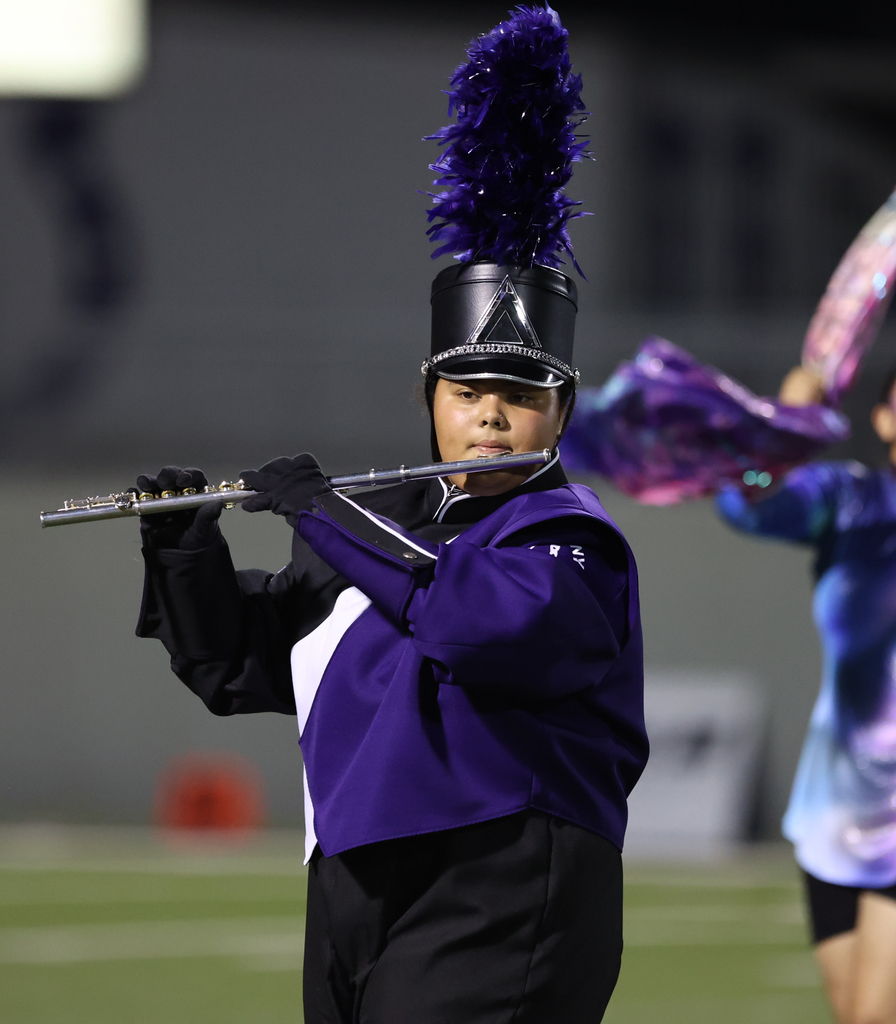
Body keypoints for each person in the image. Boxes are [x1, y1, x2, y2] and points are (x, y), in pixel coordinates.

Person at [135, 262, 648, 1023]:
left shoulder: (572, 538)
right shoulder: (373, 529)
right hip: (350, 876)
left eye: (522, 397)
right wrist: (184, 551)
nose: (491, 419)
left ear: (563, 413)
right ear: (431, 400)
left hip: (498, 872)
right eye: (467, 393)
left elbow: (481, 624)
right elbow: (238, 667)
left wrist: (327, 518)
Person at [717, 364, 896, 1024]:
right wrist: (781, 435)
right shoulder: (852, 499)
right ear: (882, 418)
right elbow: (747, 501)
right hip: (839, 808)